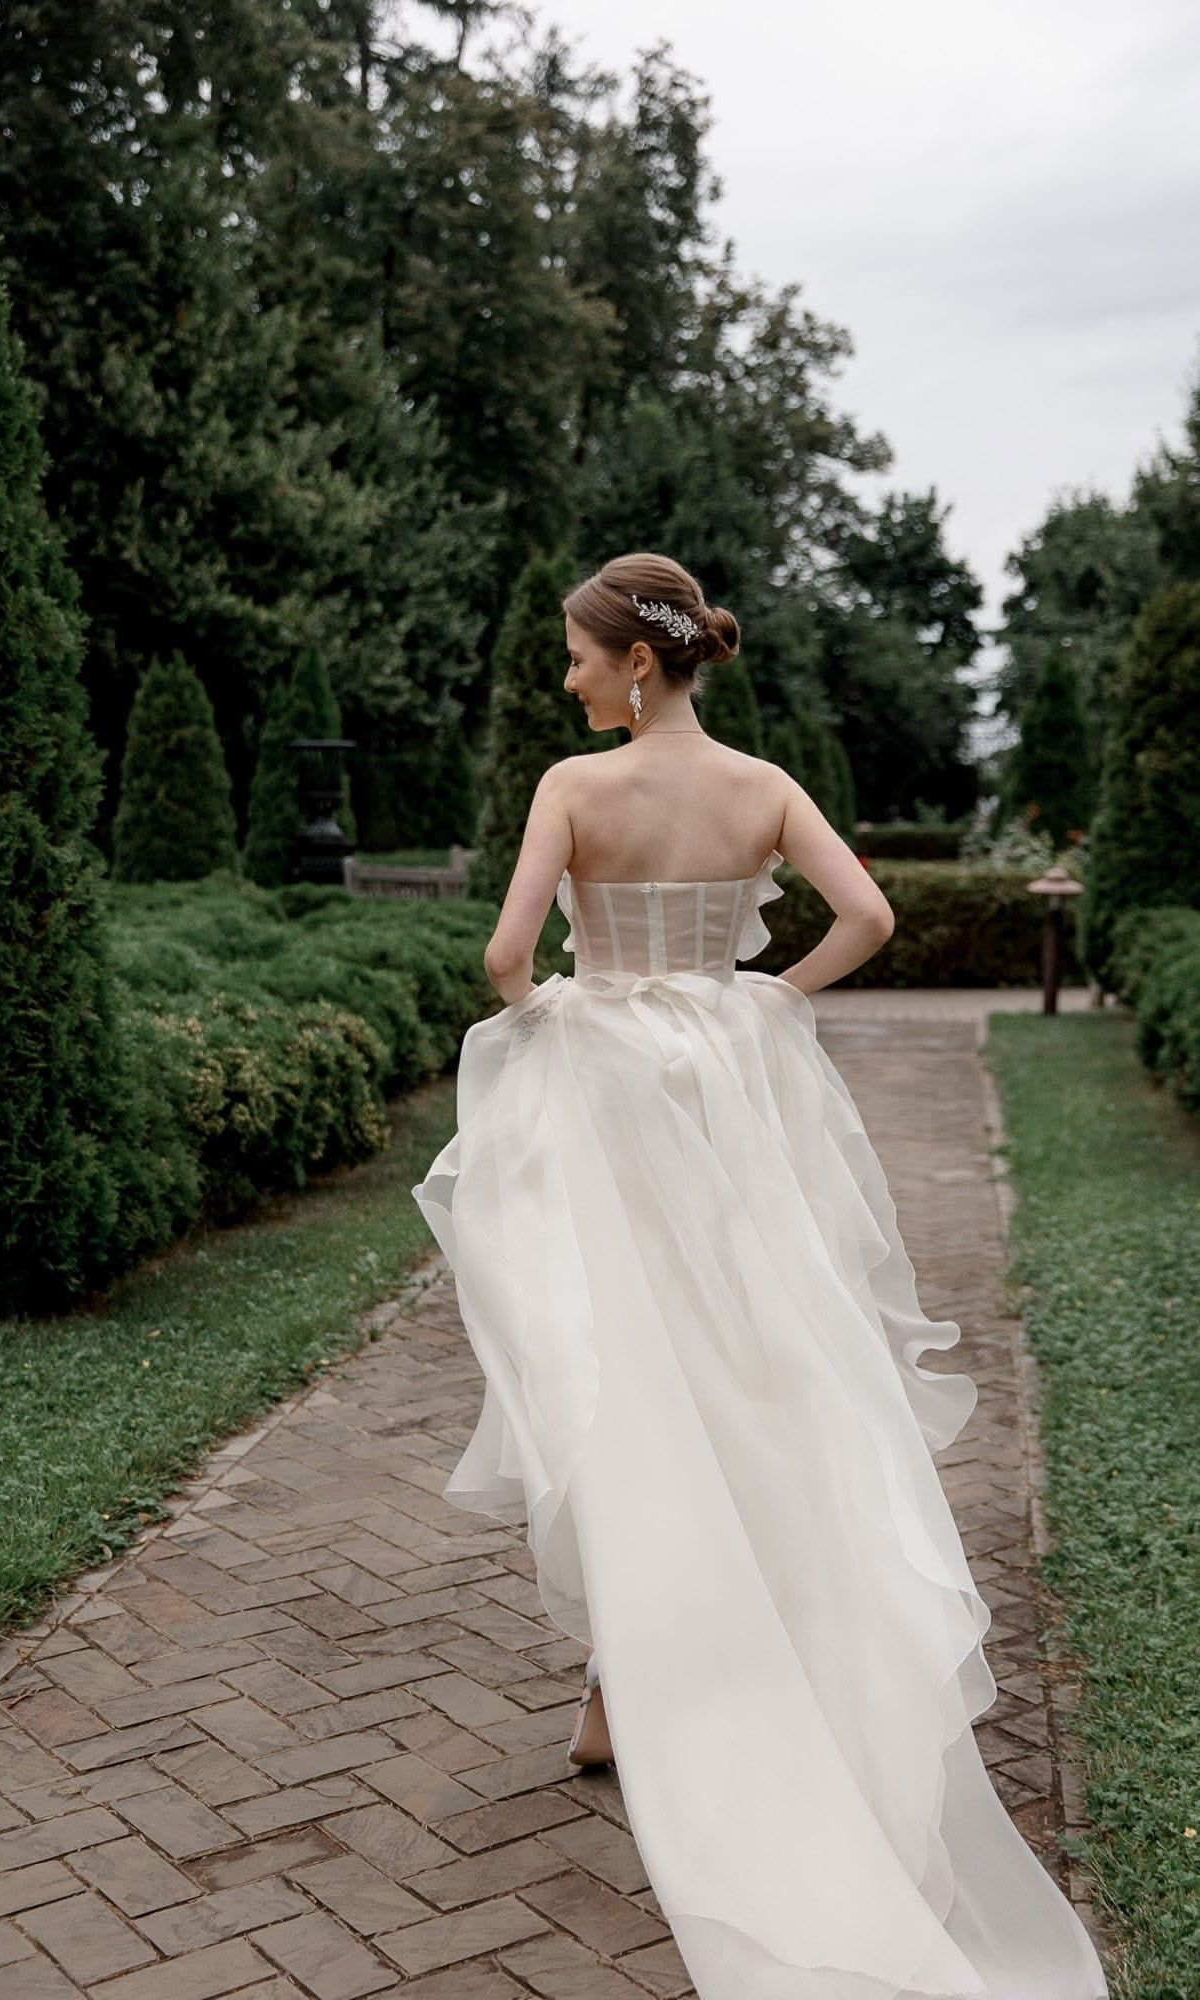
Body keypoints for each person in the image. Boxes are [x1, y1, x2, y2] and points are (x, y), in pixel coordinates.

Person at [412, 551, 1111, 2000]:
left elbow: (499, 957)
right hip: (726, 1117)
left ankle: (636, 1678)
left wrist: (568, 1022)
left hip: (610, 1113)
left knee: (623, 1383)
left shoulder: (571, 787)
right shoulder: (764, 783)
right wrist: (749, 1013)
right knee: (754, 1374)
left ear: (637, 663)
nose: (566, 680)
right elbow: (869, 919)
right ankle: (652, 1683)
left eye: (578, 658)